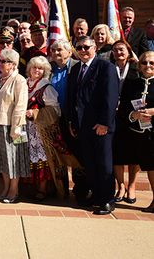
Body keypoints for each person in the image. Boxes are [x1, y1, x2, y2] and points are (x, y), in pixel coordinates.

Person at [66, 36, 119, 215]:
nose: (83, 51)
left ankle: (107, 200)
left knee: (104, 164)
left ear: (94, 47)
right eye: (79, 48)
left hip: (100, 126)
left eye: (86, 47)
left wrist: (104, 123)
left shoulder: (106, 68)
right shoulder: (74, 70)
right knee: (90, 164)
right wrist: (72, 122)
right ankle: (96, 195)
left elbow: (110, 98)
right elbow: (72, 98)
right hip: (82, 127)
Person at [0, 49, 30, 203]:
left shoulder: (19, 80)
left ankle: (14, 190)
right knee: (2, 159)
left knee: (13, 159)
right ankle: (5, 187)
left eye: (5, 61)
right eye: (0, 60)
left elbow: (20, 106)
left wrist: (16, 128)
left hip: (12, 126)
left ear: (13, 64)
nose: (1, 63)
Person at [25, 56, 67, 200]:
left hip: (40, 130)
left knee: (42, 159)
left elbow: (55, 110)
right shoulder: (24, 83)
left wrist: (35, 112)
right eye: (34, 67)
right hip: (25, 130)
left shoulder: (46, 87)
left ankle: (43, 189)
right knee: (28, 158)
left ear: (45, 71)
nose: (37, 70)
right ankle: (30, 187)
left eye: (40, 68)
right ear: (29, 69)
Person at [117, 51, 154, 212]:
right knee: (150, 166)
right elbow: (124, 106)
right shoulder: (132, 83)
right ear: (139, 66)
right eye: (144, 63)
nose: (148, 66)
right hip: (136, 132)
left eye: (152, 63)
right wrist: (134, 114)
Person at [49, 40, 82, 197]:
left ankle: (80, 188)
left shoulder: (77, 66)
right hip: (54, 119)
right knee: (58, 154)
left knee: (75, 153)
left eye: (60, 50)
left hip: (72, 119)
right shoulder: (50, 69)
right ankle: (60, 188)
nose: (56, 53)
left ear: (69, 52)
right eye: (54, 50)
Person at [111, 39, 140, 203]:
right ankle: (120, 185)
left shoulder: (136, 69)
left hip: (131, 116)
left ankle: (132, 186)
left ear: (128, 52)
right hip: (114, 116)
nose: (118, 52)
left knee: (133, 153)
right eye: (115, 50)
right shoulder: (109, 68)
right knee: (117, 152)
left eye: (121, 49)